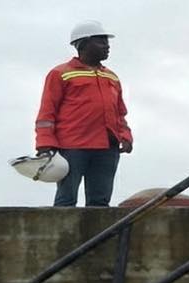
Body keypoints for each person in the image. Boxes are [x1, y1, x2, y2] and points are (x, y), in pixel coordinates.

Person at [35, 20, 134, 207]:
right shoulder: (60, 73)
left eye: (107, 42)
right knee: (66, 199)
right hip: (72, 147)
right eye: (101, 41)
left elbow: (120, 113)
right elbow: (47, 112)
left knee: (100, 202)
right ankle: (65, 228)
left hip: (107, 148)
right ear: (83, 44)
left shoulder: (111, 76)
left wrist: (126, 136)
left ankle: (99, 228)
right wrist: (45, 144)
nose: (107, 46)